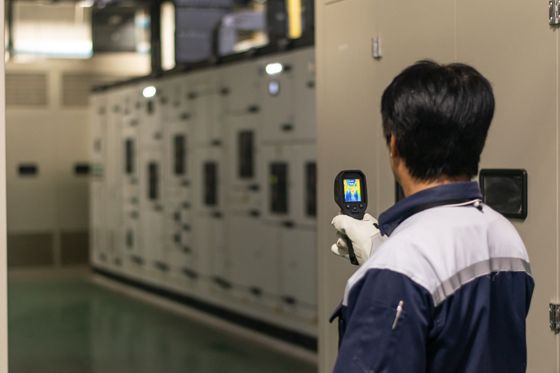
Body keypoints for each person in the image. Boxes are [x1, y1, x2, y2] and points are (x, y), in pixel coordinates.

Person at [329, 61, 534, 372]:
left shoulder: (399, 267)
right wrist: (378, 250)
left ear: (394, 144)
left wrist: (384, 263)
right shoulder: (506, 237)